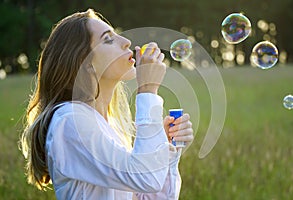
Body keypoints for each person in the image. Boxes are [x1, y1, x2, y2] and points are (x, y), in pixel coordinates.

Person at [20, 8, 194, 200]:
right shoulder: (70, 121)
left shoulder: (106, 125)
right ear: (84, 63)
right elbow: (147, 177)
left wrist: (162, 143)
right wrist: (147, 90)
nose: (126, 42)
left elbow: (144, 195)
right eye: (108, 39)